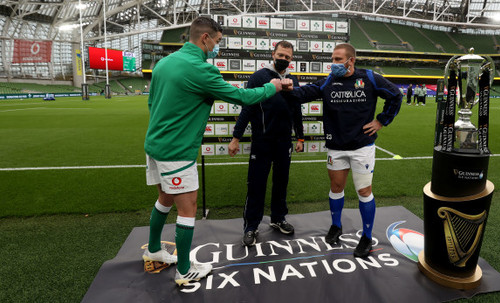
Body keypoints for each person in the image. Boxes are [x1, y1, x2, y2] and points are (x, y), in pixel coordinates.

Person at [143, 16, 290, 286]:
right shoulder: (201, 70)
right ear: (205, 38)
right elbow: (243, 98)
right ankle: (185, 270)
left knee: (164, 199)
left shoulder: (163, 63)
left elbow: (152, 102)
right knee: (188, 208)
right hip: (177, 150)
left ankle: (154, 249)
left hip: (154, 145)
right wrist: (274, 86)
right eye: (218, 42)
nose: (217, 48)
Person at [285, 43, 402, 259]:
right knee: (336, 187)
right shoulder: (330, 80)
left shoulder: (369, 78)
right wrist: (286, 87)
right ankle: (336, 226)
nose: (334, 63)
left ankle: (366, 237)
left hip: (361, 147)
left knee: (364, 192)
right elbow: (303, 93)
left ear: (351, 60)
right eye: (333, 59)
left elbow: (395, 95)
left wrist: (381, 121)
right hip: (336, 147)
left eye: (338, 59)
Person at [228, 41, 305, 247]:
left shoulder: (293, 79)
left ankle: (278, 218)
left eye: (287, 57)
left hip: (284, 143)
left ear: (291, 59)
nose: (283, 59)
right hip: (262, 141)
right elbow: (247, 108)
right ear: (273, 54)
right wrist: (236, 137)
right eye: (281, 55)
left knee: (281, 183)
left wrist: (300, 136)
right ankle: (251, 226)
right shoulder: (258, 77)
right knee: (256, 185)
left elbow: (296, 110)